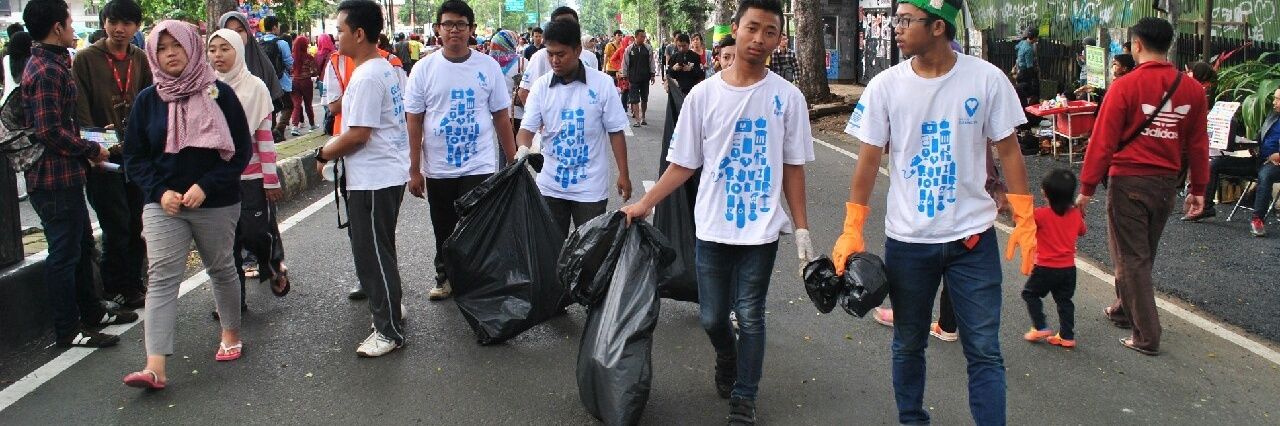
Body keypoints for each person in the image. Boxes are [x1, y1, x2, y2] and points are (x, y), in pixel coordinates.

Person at [833, 0, 1034, 423]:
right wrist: (853, 226)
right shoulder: (886, 86)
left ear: (938, 26)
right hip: (909, 242)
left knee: (984, 349)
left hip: (972, 241)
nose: (896, 28)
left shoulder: (986, 79)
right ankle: (912, 419)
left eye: (906, 20)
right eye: (896, 19)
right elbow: (868, 161)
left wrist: (1025, 216)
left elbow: (1010, 150)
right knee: (908, 343)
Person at [619, 1, 814, 423]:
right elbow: (684, 164)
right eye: (752, 28)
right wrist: (644, 204)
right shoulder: (703, 96)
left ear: (779, 39)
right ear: (735, 31)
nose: (759, 39)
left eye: (770, 32)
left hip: (760, 231)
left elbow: (793, 168)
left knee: (750, 314)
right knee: (711, 318)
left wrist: (802, 232)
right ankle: (727, 356)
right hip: (710, 227)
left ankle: (745, 397)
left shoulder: (788, 98)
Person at [121, 20, 253, 389]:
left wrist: (205, 187)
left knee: (221, 267)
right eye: (162, 48)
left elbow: (240, 151)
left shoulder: (220, 94)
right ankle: (155, 366)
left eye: (176, 45)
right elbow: (135, 157)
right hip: (163, 203)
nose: (170, 53)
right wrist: (159, 191)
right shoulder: (148, 100)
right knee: (162, 277)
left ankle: (230, 333)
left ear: (191, 47)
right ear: (153, 55)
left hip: (215, 201)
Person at [1077, 17, 1210, 356]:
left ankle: (1147, 335)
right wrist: (1198, 190)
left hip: (1128, 182)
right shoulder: (1193, 90)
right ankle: (1124, 308)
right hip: (1167, 184)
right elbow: (1198, 144)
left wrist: (1087, 188)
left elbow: (1102, 142)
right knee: (1141, 253)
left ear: (1136, 45)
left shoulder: (1124, 86)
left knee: (1130, 256)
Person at [22, 0, 137, 349]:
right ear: (57, 27)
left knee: (82, 244)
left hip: (69, 176)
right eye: (70, 23)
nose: (74, 29)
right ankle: (67, 329)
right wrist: (91, 149)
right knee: (64, 253)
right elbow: (49, 131)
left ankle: (92, 310)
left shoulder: (56, 63)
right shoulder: (46, 71)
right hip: (53, 180)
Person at [312, 0, 411, 357]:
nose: (335, 36)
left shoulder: (368, 75)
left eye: (339, 29)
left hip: (374, 178)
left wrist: (323, 152)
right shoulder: (379, 68)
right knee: (380, 249)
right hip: (382, 174)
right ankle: (391, 311)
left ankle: (389, 331)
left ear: (359, 33)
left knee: (372, 255)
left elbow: (358, 134)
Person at [405, 0, 516, 301]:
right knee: (443, 224)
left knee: (477, 224)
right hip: (439, 165)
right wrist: (414, 169)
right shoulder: (423, 69)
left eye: (461, 24)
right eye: (448, 24)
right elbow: (413, 120)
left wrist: (513, 159)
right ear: (438, 29)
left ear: (471, 30)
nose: (454, 30)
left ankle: (473, 277)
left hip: (478, 163)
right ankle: (445, 275)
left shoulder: (488, 67)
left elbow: (501, 116)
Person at [71, 0, 153, 311]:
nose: (120, 29)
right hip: (101, 156)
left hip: (135, 155)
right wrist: (94, 146)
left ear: (136, 27)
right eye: (114, 21)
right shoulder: (85, 59)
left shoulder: (140, 58)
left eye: (128, 23)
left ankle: (133, 280)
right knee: (114, 223)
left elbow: (149, 100)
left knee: (136, 221)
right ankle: (116, 286)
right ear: (104, 22)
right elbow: (80, 111)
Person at [517, 18, 631, 235]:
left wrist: (623, 174)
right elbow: (526, 130)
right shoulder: (541, 86)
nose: (554, 60)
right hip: (550, 185)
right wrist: (522, 148)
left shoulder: (602, 84)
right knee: (549, 253)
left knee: (589, 255)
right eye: (550, 54)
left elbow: (616, 132)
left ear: (578, 50)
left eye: (561, 54)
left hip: (590, 189)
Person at [208, 28, 290, 310]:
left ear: (238, 50)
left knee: (255, 233)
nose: (217, 55)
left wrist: (270, 179)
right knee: (225, 244)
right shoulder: (206, 88)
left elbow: (264, 139)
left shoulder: (255, 88)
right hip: (218, 180)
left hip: (252, 177)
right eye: (212, 49)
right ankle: (233, 302)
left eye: (224, 48)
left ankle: (272, 264)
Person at [1184, 87, 1280, 237]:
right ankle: (1206, 207)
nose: (1274, 102)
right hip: (1258, 160)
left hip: (1274, 165)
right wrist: (1248, 144)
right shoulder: (1273, 116)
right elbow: (1259, 138)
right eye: (1274, 98)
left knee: (1265, 176)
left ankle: (1258, 219)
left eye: (1278, 99)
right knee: (1215, 163)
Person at [1021, 169, 1086, 348]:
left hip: (1045, 267)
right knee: (1064, 300)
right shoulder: (1075, 214)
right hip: (1068, 268)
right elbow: (1082, 231)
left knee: (1030, 293)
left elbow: (1024, 224)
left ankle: (1040, 325)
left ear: (1046, 192)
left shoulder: (1040, 215)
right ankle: (1067, 336)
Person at [517, 7, 599, 106]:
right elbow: (524, 93)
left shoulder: (591, 58)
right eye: (551, 55)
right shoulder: (539, 57)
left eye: (569, 25)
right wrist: (541, 119)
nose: (555, 60)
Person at [217, 12, 284, 129]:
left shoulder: (261, 62)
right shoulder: (214, 66)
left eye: (239, 31)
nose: (236, 36)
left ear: (247, 32)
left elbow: (270, 105)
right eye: (229, 31)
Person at [261, 16, 294, 141]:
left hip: (265, 81)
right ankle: (279, 130)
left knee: (272, 108)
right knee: (289, 106)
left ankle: (271, 134)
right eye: (278, 25)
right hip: (281, 81)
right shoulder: (282, 43)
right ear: (274, 27)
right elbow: (289, 62)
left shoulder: (259, 43)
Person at [489, 29, 526, 136]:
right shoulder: (522, 62)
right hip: (518, 114)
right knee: (520, 150)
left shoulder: (488, 64)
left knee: (503, 149)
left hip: (496, 114)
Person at [620, 29, 654, 127]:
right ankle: (637, 120)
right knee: (634, 99)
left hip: (645, 78)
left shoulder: (648, 48)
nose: (643, 38)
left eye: (644, 36)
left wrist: (652, 74)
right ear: (636, 37)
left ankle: (643, 116)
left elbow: (651, 62)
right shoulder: (629, 49)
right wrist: (624, 76)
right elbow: (625, 63)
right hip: (633, 78)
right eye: (641, 36)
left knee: (644, 98)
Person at [290, 34, 317, 134]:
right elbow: (315, 71)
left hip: (294, 82)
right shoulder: (309, 57)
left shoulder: (292, 57)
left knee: (296, 104)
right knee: (308, 104)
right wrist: (310, 73)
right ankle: (312, 124)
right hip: (306, 82)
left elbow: (289, 69)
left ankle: (295, 127)